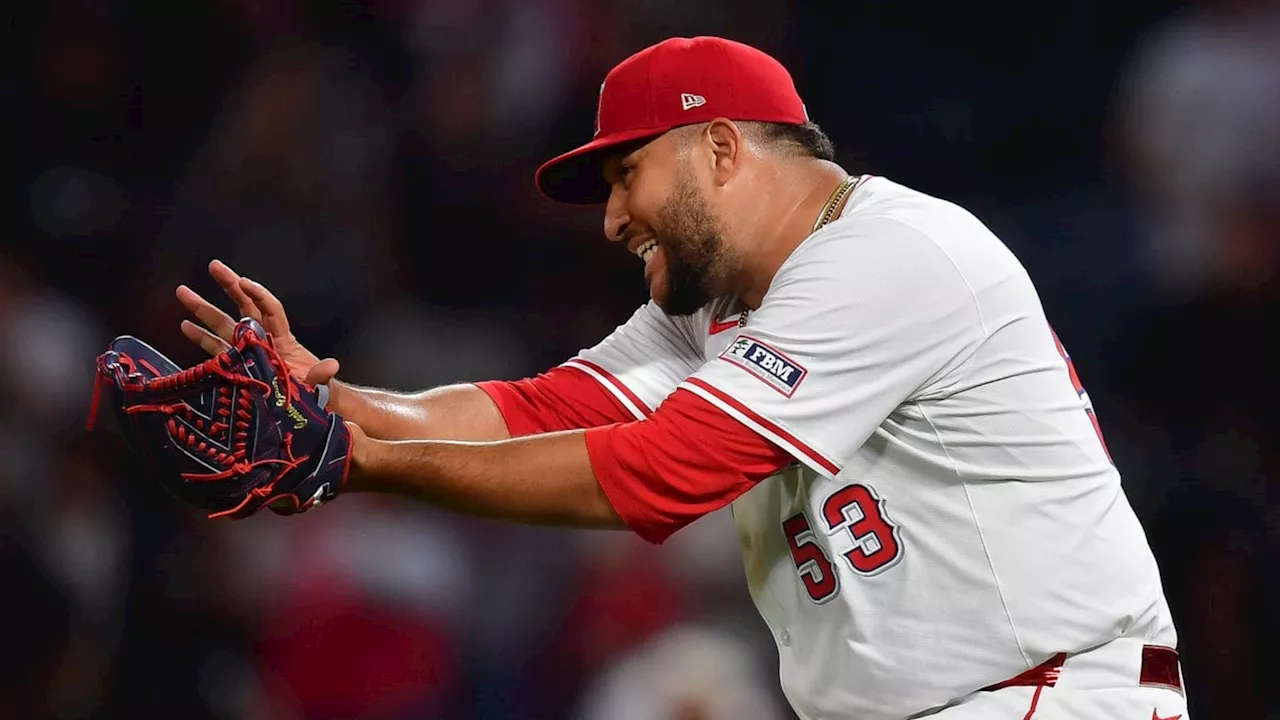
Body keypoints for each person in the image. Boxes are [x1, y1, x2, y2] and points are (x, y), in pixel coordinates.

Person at [175, 36, 1188, 720]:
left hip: (1048, 695)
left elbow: (662, 472)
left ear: (716, 149)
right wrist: (339, 405)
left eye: (626, 174)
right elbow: (539, 410)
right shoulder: (722, 305)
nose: (611, 218)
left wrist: (350, 466)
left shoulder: (890, 254)